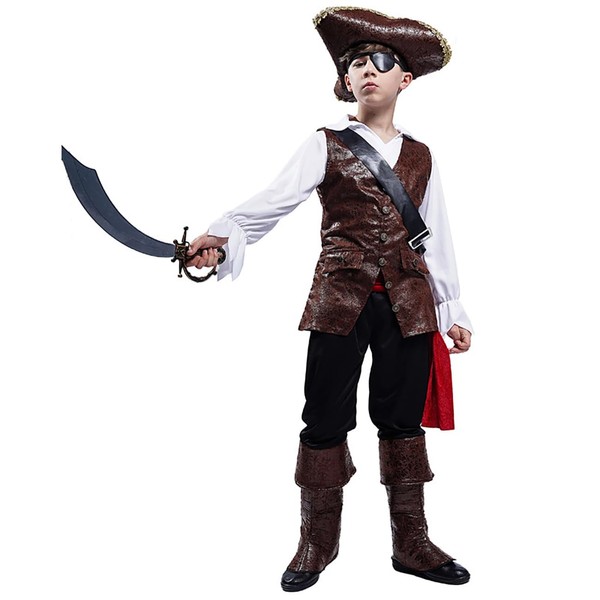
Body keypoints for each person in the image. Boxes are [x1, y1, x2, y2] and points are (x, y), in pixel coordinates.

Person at [187, 6, 472, 592]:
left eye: (380, 61)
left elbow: (437, 236)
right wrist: (220, 237)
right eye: (356, 63)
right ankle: (318, 540)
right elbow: (272, 201)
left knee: (401, 421)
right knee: (323, 418)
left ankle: (411, 543)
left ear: (404, 79)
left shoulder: (422, 156)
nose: (367, 69)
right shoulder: (326, 144)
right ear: (346, 80)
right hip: (339, 299)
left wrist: (452, 309)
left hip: (410, 303)